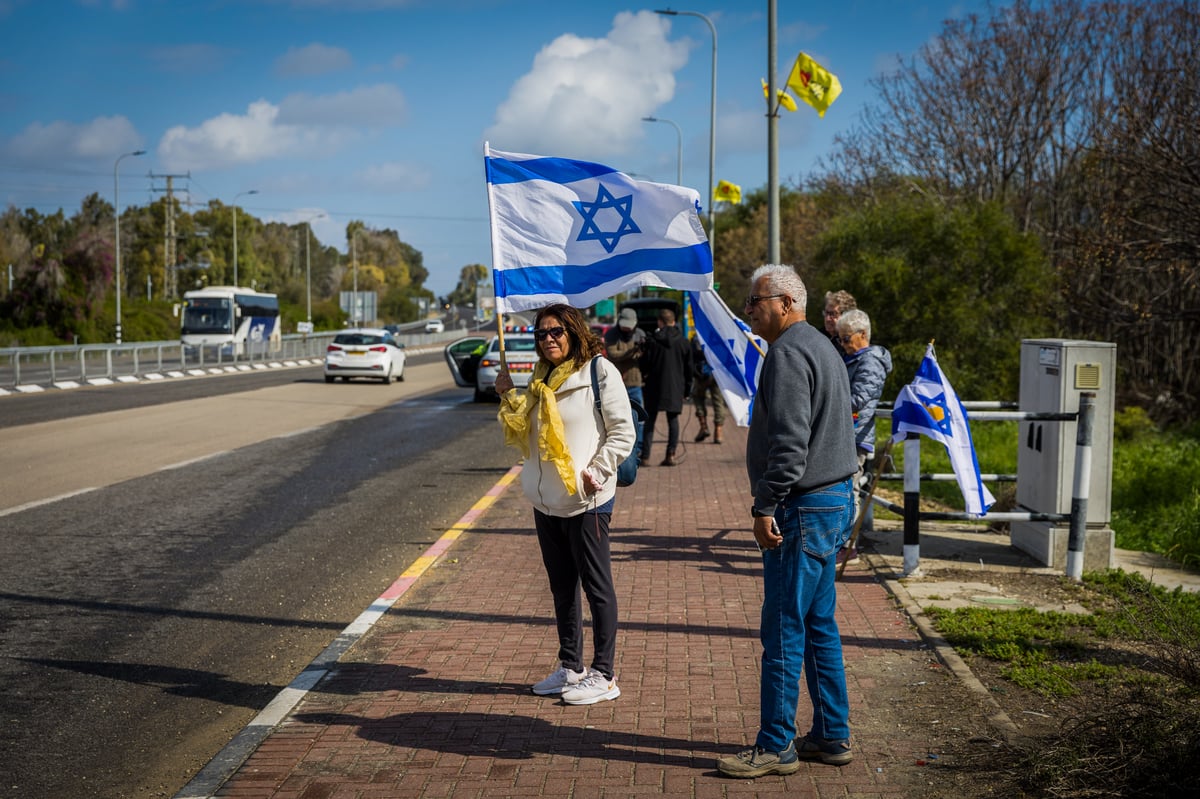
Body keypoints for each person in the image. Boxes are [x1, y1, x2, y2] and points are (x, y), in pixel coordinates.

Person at [717, 264, 858, 778]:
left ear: (785, 302)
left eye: (755, 302)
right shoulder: (821, 345)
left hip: (803, 504)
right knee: (818, 623)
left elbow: (791, 444)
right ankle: (831, 732)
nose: (750, 310)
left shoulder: (789, 353)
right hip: (831, 500)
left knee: (782, 626)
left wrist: (764, 505)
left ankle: (776, 744)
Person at [494, 303, 635, 706]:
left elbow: (621, 433)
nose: (549, 339)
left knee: (597, 587)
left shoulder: (598, 371)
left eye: (556, 331)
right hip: (547, 501)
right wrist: (508, 397)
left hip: (587, 499)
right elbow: (526, 432)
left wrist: (599, 469)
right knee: (561, 588)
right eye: (541, 334)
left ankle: (605, 674)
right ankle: (571, 667)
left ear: (573, 331)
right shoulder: (541, 379)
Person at [836, 309, 893, 534]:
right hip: (845, 433)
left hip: (855, 435)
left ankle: (849, 544)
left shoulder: (870, 362)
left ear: (862, 334)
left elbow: (858, 398)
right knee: (842, 490)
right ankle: (841, 541)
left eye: (846, 338)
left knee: (850, 491)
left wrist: (825, 403)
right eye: (839, 339)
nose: (842, 344)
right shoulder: (853, 359)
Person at [639, 307, 691, 466]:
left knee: (650, 421)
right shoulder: (683, 342)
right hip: (675, 387)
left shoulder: (652, 341)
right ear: (674, 322)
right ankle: (671, 455)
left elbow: (644, 364)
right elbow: (689, 368)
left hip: (654, 386)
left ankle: (645, 456)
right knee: (673, 420)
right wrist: (687, 389)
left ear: (659, 322)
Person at [604, 307, 647, 456]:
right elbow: (613, 354)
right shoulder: (611, 335)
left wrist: (641, 350)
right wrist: (631, 352)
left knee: (640, 419)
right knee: (616, 419)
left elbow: (644, 356)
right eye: (624, 325)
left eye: (630, 326)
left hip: (635, 382)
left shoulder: (640, 334)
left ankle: (639, 448)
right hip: (617, 384)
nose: (627, 329)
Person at [689, 334, 726, 444]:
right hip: (717, 375)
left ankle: (703, 426)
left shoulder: (698, 336)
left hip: (702, 375)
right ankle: (718, 431)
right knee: (718, 401)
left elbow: (693, 356)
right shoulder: (720, 336)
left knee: (697, 397)